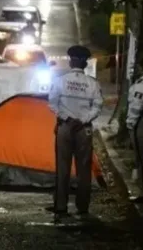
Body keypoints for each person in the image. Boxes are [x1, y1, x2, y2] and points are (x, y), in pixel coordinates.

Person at [49, 45, 103, 220]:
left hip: (65, 127)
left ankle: (61, 207)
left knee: (62, 168)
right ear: (85, 63)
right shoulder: (93, 83)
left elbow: (52, 103)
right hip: (84, 130)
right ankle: (83, 207)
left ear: (71, 62)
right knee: (84, 170)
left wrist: (67, 118)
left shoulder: (60, 81)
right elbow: (98, 106)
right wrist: (84, 120)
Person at [127, 74, 143, 202]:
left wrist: (130, 124)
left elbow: (136, 107)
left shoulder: (140, 85)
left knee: (140, 159)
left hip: (140, 124)